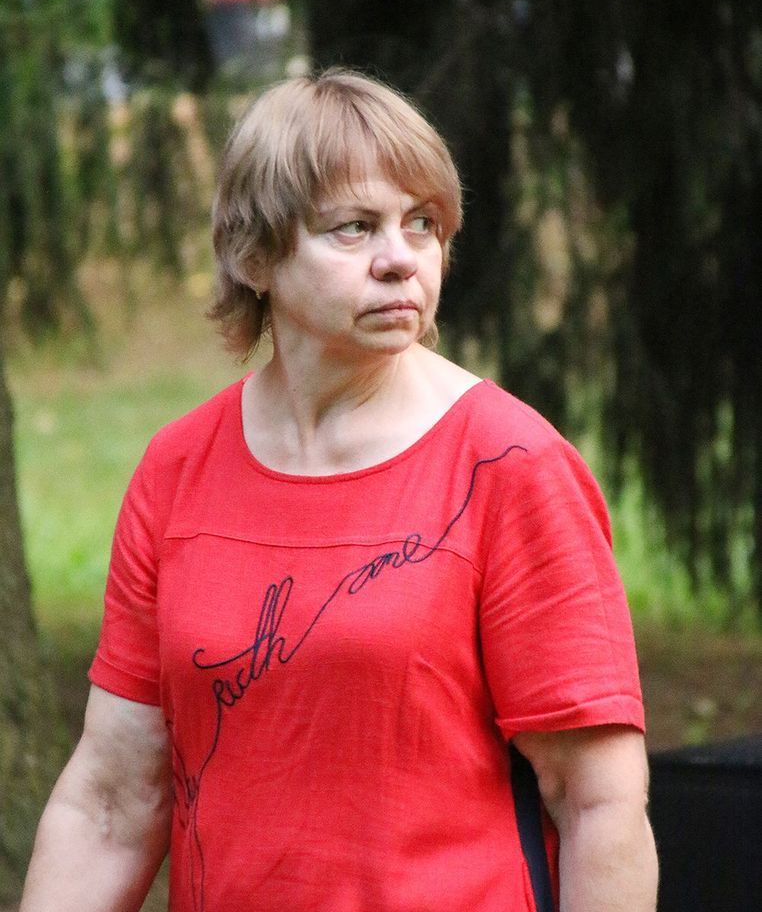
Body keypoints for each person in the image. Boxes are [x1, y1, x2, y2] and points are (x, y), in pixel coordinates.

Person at [20, 68, 658, 912]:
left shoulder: (511, 466)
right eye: (354, 228)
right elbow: (112, 801)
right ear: (254, 256)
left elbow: (598, 803)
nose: (401, 260)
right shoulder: (178, 470)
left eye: (422, 223)